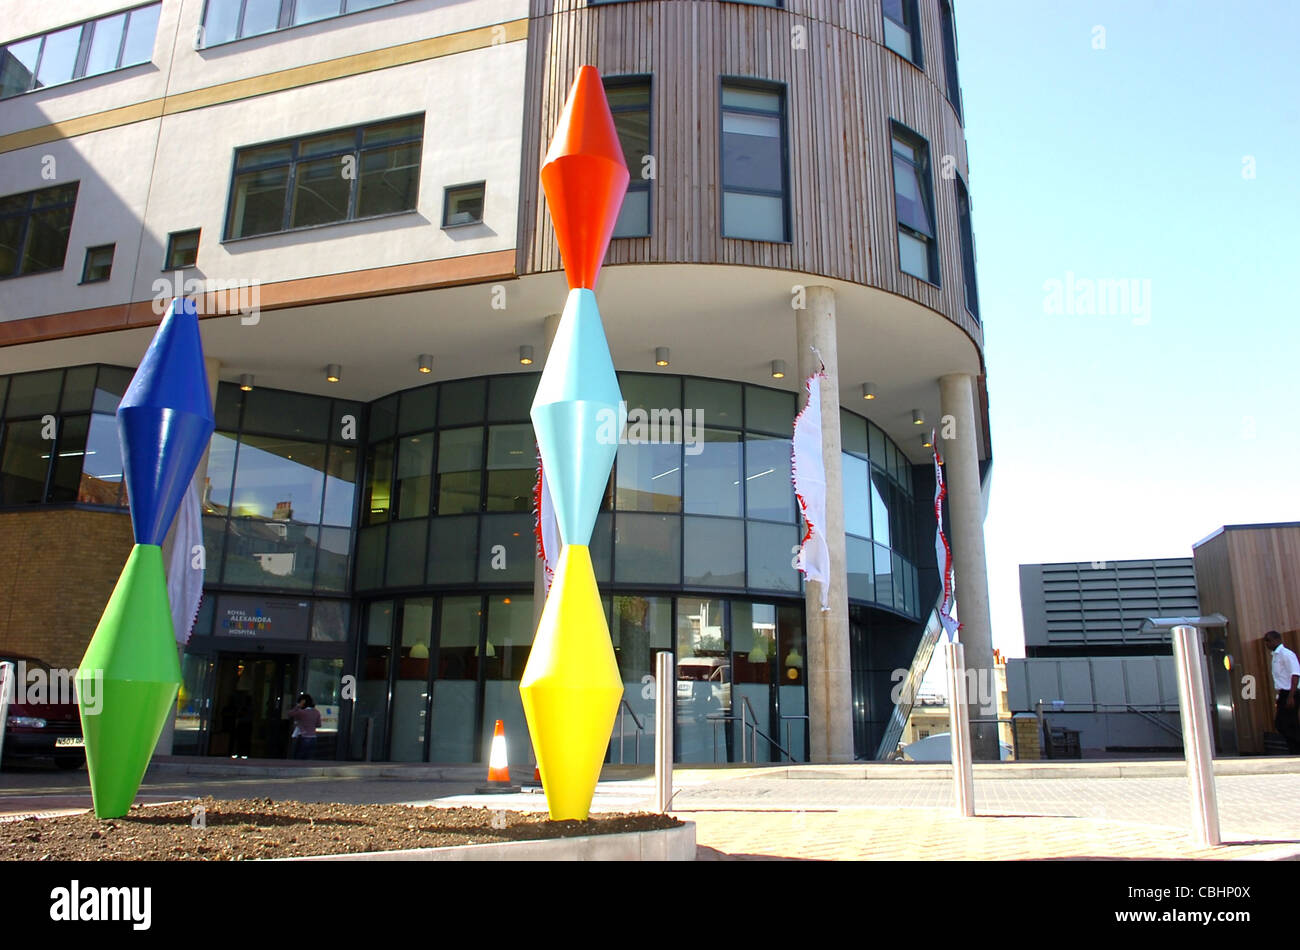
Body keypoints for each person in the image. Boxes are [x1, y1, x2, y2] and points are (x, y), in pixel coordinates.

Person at [1265, 631, 1300, 753]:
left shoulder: (1286, 654)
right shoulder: (1275, 656)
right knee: (1284, 723)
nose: (1267, 643)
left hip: (1291, 692)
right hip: (1283, 693)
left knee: (1286, 723)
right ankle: (1294, 750)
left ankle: (1296, 748)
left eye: (1268, 640)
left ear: (1276, 640)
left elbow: (1295, 675)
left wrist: (1291, 696)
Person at [287, 693, 322, 760]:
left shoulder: (301, 712)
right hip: (313, 738)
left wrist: (298, 706)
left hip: (303, 737)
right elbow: (318, 725)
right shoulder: (316, 712)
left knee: (299, 757)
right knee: (309, 758)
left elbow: (290, 714)